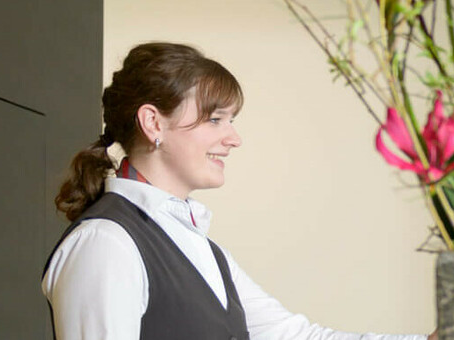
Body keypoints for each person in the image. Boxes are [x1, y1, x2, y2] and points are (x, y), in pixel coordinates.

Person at [42, 42, 429, 340]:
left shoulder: (201, 248)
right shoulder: (106, 243)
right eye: (215, 119)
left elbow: (295, 336)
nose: (234, 138)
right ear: (153, 122)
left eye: (231, 120)